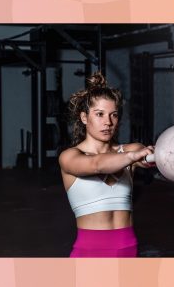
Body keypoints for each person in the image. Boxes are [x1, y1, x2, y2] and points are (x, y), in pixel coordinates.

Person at [58, 71, 155, 258]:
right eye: (99, 114)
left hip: (128, 250)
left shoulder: (131, 150)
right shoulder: (69, 157)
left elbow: (158, 160)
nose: (108, 122)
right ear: (84, 118)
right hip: (89, 253)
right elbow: (96, 164)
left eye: (114, 115)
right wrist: (133, 156)